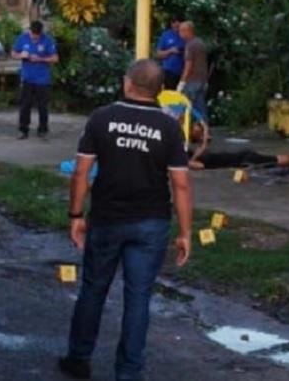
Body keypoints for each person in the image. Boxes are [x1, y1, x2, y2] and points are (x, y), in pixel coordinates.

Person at [61, 60, 193, 381]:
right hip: (151, 222)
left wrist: (76, 214)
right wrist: (186, 232)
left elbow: (81, 172)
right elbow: (181, 184)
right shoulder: (169, 127)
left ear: (127, 83)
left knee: (94, 288)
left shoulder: (102, 118)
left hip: (107, 219)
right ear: (160, 90)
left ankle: (79, 358)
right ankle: (129, 372)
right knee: (138, 297)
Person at [12, 20, 59, 139]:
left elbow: (55, 58)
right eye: (33, 35)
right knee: (25, 105)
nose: (34, 37)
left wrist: (40, 59)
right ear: (30, 31)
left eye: (37, 35)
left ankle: (43, 130)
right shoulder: (23, 38)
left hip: (42, 79)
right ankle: (23, 130)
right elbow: (13, 53)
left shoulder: (47, 40)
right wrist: (21, 56)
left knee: (43, 106)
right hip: (27, 78)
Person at [177, 21, 209, 121]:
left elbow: (188, 66)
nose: (179, 34)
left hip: (192, 81)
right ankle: (205, 132)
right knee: (200, 108)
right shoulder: (200, 42)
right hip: (202, 80)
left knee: (184, 108)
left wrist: (182, 82)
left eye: (181, 31)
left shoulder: (190, 45)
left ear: (187, 31)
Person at [154, 15, 185, 90]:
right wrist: (170, 51)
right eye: (173, 23)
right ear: (171, 24)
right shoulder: (166, 35)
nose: (176, 25)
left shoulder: (185, 35)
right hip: (169, 71)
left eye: (178, 24)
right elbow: (158, 54)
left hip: (183, 72)